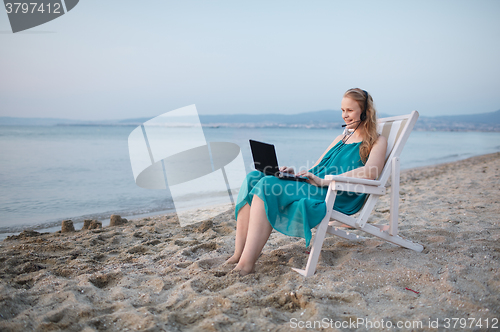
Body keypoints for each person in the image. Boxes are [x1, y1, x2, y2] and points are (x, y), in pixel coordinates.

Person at [226, 88, 387, 275]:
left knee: (268, 185)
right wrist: (295, 174)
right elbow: (317, 168)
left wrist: (324, 182)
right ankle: (238, 254)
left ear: (365, 111)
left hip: (336, 193)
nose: (345, 115)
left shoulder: (377, 141)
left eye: (350, 110)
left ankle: (246, 264)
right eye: (342, 110)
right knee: (253, 177)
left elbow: (370, 172)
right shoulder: (341, 138)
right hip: (316, 185)